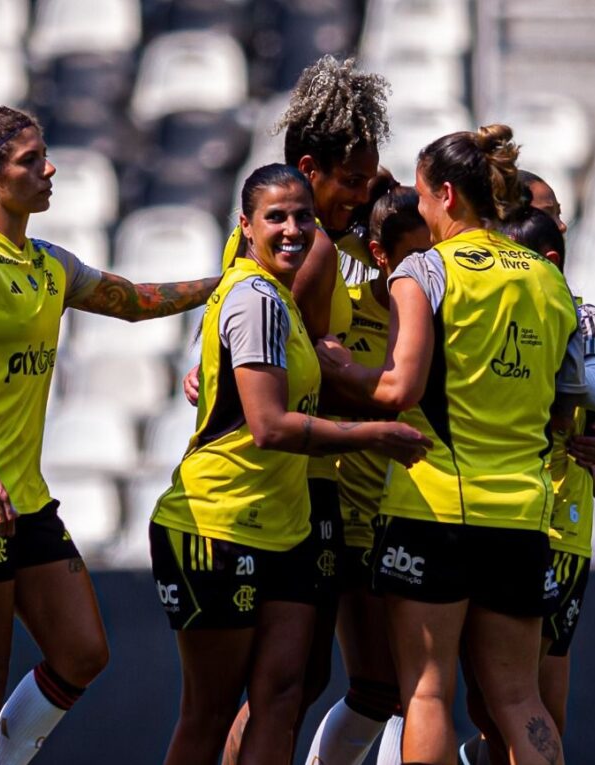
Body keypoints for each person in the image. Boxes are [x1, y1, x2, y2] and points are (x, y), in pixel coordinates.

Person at [0, 85, 222, 765]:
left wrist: (224, 283)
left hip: (23, 497)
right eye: (30, 160)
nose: (49, 170)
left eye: (46, 157)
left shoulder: (47, 264)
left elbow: (132, 300)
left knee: (81, 651)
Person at [317, 125, 585, 765]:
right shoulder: (547, 280)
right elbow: (572, 398)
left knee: (428, 694)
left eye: (420, 195)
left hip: (434, 507)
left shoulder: (424, 271)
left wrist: (336, 367)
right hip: (523, 514)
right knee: (519, 699)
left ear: (445, 195)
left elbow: (398, 391)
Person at [149, 164, 431, 765]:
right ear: (245, 227)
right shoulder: (254, 298)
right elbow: (269, 426)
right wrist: (372, 432)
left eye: (303, 215)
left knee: (285, 693)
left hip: (284, 525)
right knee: (211, 711)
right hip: (218, 523)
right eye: (275, 217)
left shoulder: (278, 297)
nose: (294, 229)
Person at [181, 55, 391, 761]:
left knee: (286, 684)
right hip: (307, 483)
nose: (363, 196)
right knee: (290, 684)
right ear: (310, 165)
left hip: (283, 484)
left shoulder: (260, 231)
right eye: (353, 181)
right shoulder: (316, 248)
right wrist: (379, 388)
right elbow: (301, 382)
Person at [459, 202, 595, 765]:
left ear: (545, 261)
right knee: (486, 703)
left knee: (537, 705)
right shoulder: (494, 320)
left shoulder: (583, 321)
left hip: (555, 533)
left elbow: (593, 395)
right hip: (492, 516)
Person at [304, 185, 431, 765]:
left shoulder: (443, 318)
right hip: (342, 517)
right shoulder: (343, 304)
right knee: (380, 688)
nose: (427, 271)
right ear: (380, 255)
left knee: (404, 690)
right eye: (413, 257)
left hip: (418, 516)